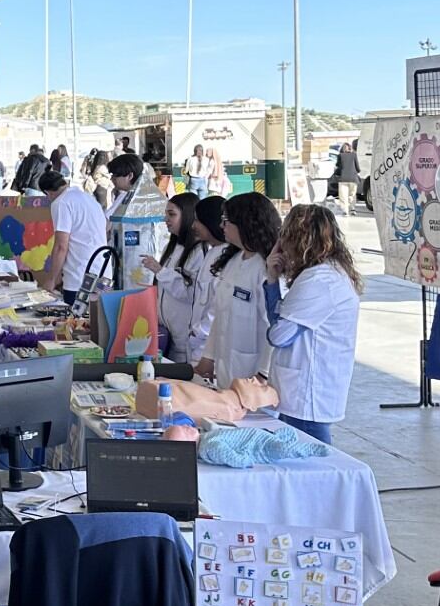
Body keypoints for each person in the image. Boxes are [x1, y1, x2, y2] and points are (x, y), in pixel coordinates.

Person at [264, 205, 363, 445]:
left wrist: (271, 281)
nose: (281, 246)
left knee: (311, 465)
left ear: (297, 241)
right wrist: (272, 280)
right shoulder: (322, 274)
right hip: (300, 388)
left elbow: (278, 335)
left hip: (308, 392)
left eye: (285, 237)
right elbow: (281, 322)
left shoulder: (320, 281)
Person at [196, 191, 279, 388]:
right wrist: (208, 357)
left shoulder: (266, 268)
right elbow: (220, 316)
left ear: (245, 223)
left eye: (226, 221)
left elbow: (274, 326)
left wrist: (263, 373)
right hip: (227, 369)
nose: (221, 226)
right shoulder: (233, 261)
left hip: (254, 376)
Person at [152, 192, 214, 364]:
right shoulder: (172, 247)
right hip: (166, 335)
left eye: (172, 214)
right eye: (166, 214)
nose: (166, 219)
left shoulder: (199, 252)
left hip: (185, 339)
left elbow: (190, 293)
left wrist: (160, 272)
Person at [38, 170, 106, 302]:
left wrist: (51, 279)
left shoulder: (61, 203)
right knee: (98, 319)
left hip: (79, 276)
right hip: (103, 272)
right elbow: (105, 227)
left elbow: (61, 246)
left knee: (75, 321)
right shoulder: (88, 198)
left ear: (48, 192)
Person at [105, 152, 145, 217]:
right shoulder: (125, 195)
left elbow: (108, 220)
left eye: (115, 175)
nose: (111, 179)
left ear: (130, 176)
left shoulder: (130, 198)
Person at [334, 141, 362, 211]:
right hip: (353, 178)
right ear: (350, 148)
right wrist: (357, 171)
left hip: (343, 179)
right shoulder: (354, 155)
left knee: (343, 196)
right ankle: (352, 208)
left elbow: (338, 166)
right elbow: (357, 167)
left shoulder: (340, 155)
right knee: (352, 195)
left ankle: (345, 211)